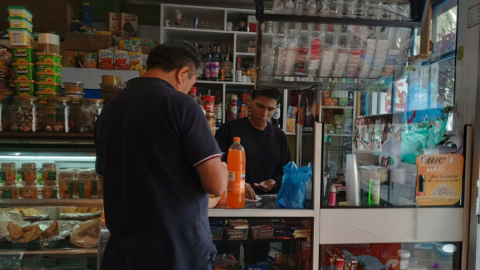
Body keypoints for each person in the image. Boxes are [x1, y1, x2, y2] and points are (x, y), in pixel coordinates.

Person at [94, 40, 227, 270]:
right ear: (183, 72)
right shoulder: (182, 105)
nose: (188, 89)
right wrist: (223, 169)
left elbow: (104, 185)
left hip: (125, 252)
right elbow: (216, 185)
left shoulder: (110, 109)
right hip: (177, 251)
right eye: (191, 82)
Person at [215, 90, 291, 200]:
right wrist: (237, 183)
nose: (264, 114)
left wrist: (274, 182)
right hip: (233, 197)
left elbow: (286, 173)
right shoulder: (228, 130)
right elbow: (216, 167)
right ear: (249, 102)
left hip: (268, 201)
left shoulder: (279, 136)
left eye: (270, 109)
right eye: (260, 106)